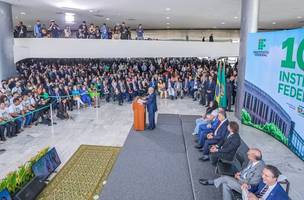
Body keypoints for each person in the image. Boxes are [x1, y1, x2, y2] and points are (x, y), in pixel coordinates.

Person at [200, 148, 265, 200]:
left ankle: (211, 182)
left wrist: (239, 178)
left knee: (225, 178)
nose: (247, 154)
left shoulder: (260, 168)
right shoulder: (253, 160)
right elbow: (246, 170)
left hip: (245, 188)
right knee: (225, 184)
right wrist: (240, 173)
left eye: (248, 154)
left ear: (253, 156)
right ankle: (212, 183)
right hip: (240, 179)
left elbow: (253, 183)